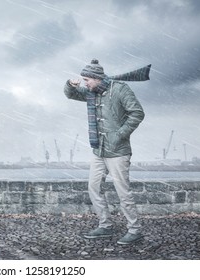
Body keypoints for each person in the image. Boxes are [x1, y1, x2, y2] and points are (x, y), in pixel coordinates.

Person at [64, 59, 145, 245]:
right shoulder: (92, 92)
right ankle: (105, 225)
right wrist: (69, 85)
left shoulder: (120, 89)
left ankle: (135, 230)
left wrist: (119, 135)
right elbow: (71, 94)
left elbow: (137, 113)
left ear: (97, 78)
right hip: (98, 150)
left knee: (123, 192)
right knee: (93, 187)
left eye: (86, 80)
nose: (85, 83)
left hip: (118, 151)